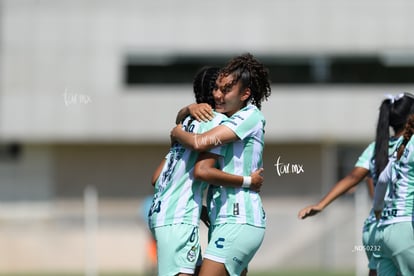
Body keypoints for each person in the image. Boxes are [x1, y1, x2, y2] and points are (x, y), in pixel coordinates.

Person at [149, 66, 263, 276]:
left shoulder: (186, 123)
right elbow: (201, 166)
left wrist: (183, 117)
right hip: (181, 218)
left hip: (162, 213)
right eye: (218, 88)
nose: (219, 94)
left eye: (225, 89)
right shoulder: (217, 122)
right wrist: (248, 180)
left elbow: (157, 178)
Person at [297, 93, 414, 276]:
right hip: (404, 227)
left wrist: (321, 204)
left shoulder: (376, 147)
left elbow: (353, 177)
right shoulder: (411, 144)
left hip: (377, 229)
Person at [372, 113, 414, 276]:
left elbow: (382, 179)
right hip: (405, 228)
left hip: (384, 229)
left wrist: (377, 210)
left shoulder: (402, 146)